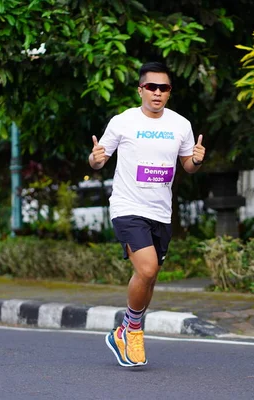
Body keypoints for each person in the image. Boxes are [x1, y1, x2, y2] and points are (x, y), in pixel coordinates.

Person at [90, 62, 205, 367]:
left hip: (161, 212)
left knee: (149, 278)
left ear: (169, 93)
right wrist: (95, 158)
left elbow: (188, 166)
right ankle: (134, 330)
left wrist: (196, 160)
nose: (157, 92)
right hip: (128, 207)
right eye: (151, 87)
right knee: (148, 269)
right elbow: (99, 161)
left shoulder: (180, 125)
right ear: (140, 90)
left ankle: (123, 331)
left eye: (163, 88)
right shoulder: (122, 122)